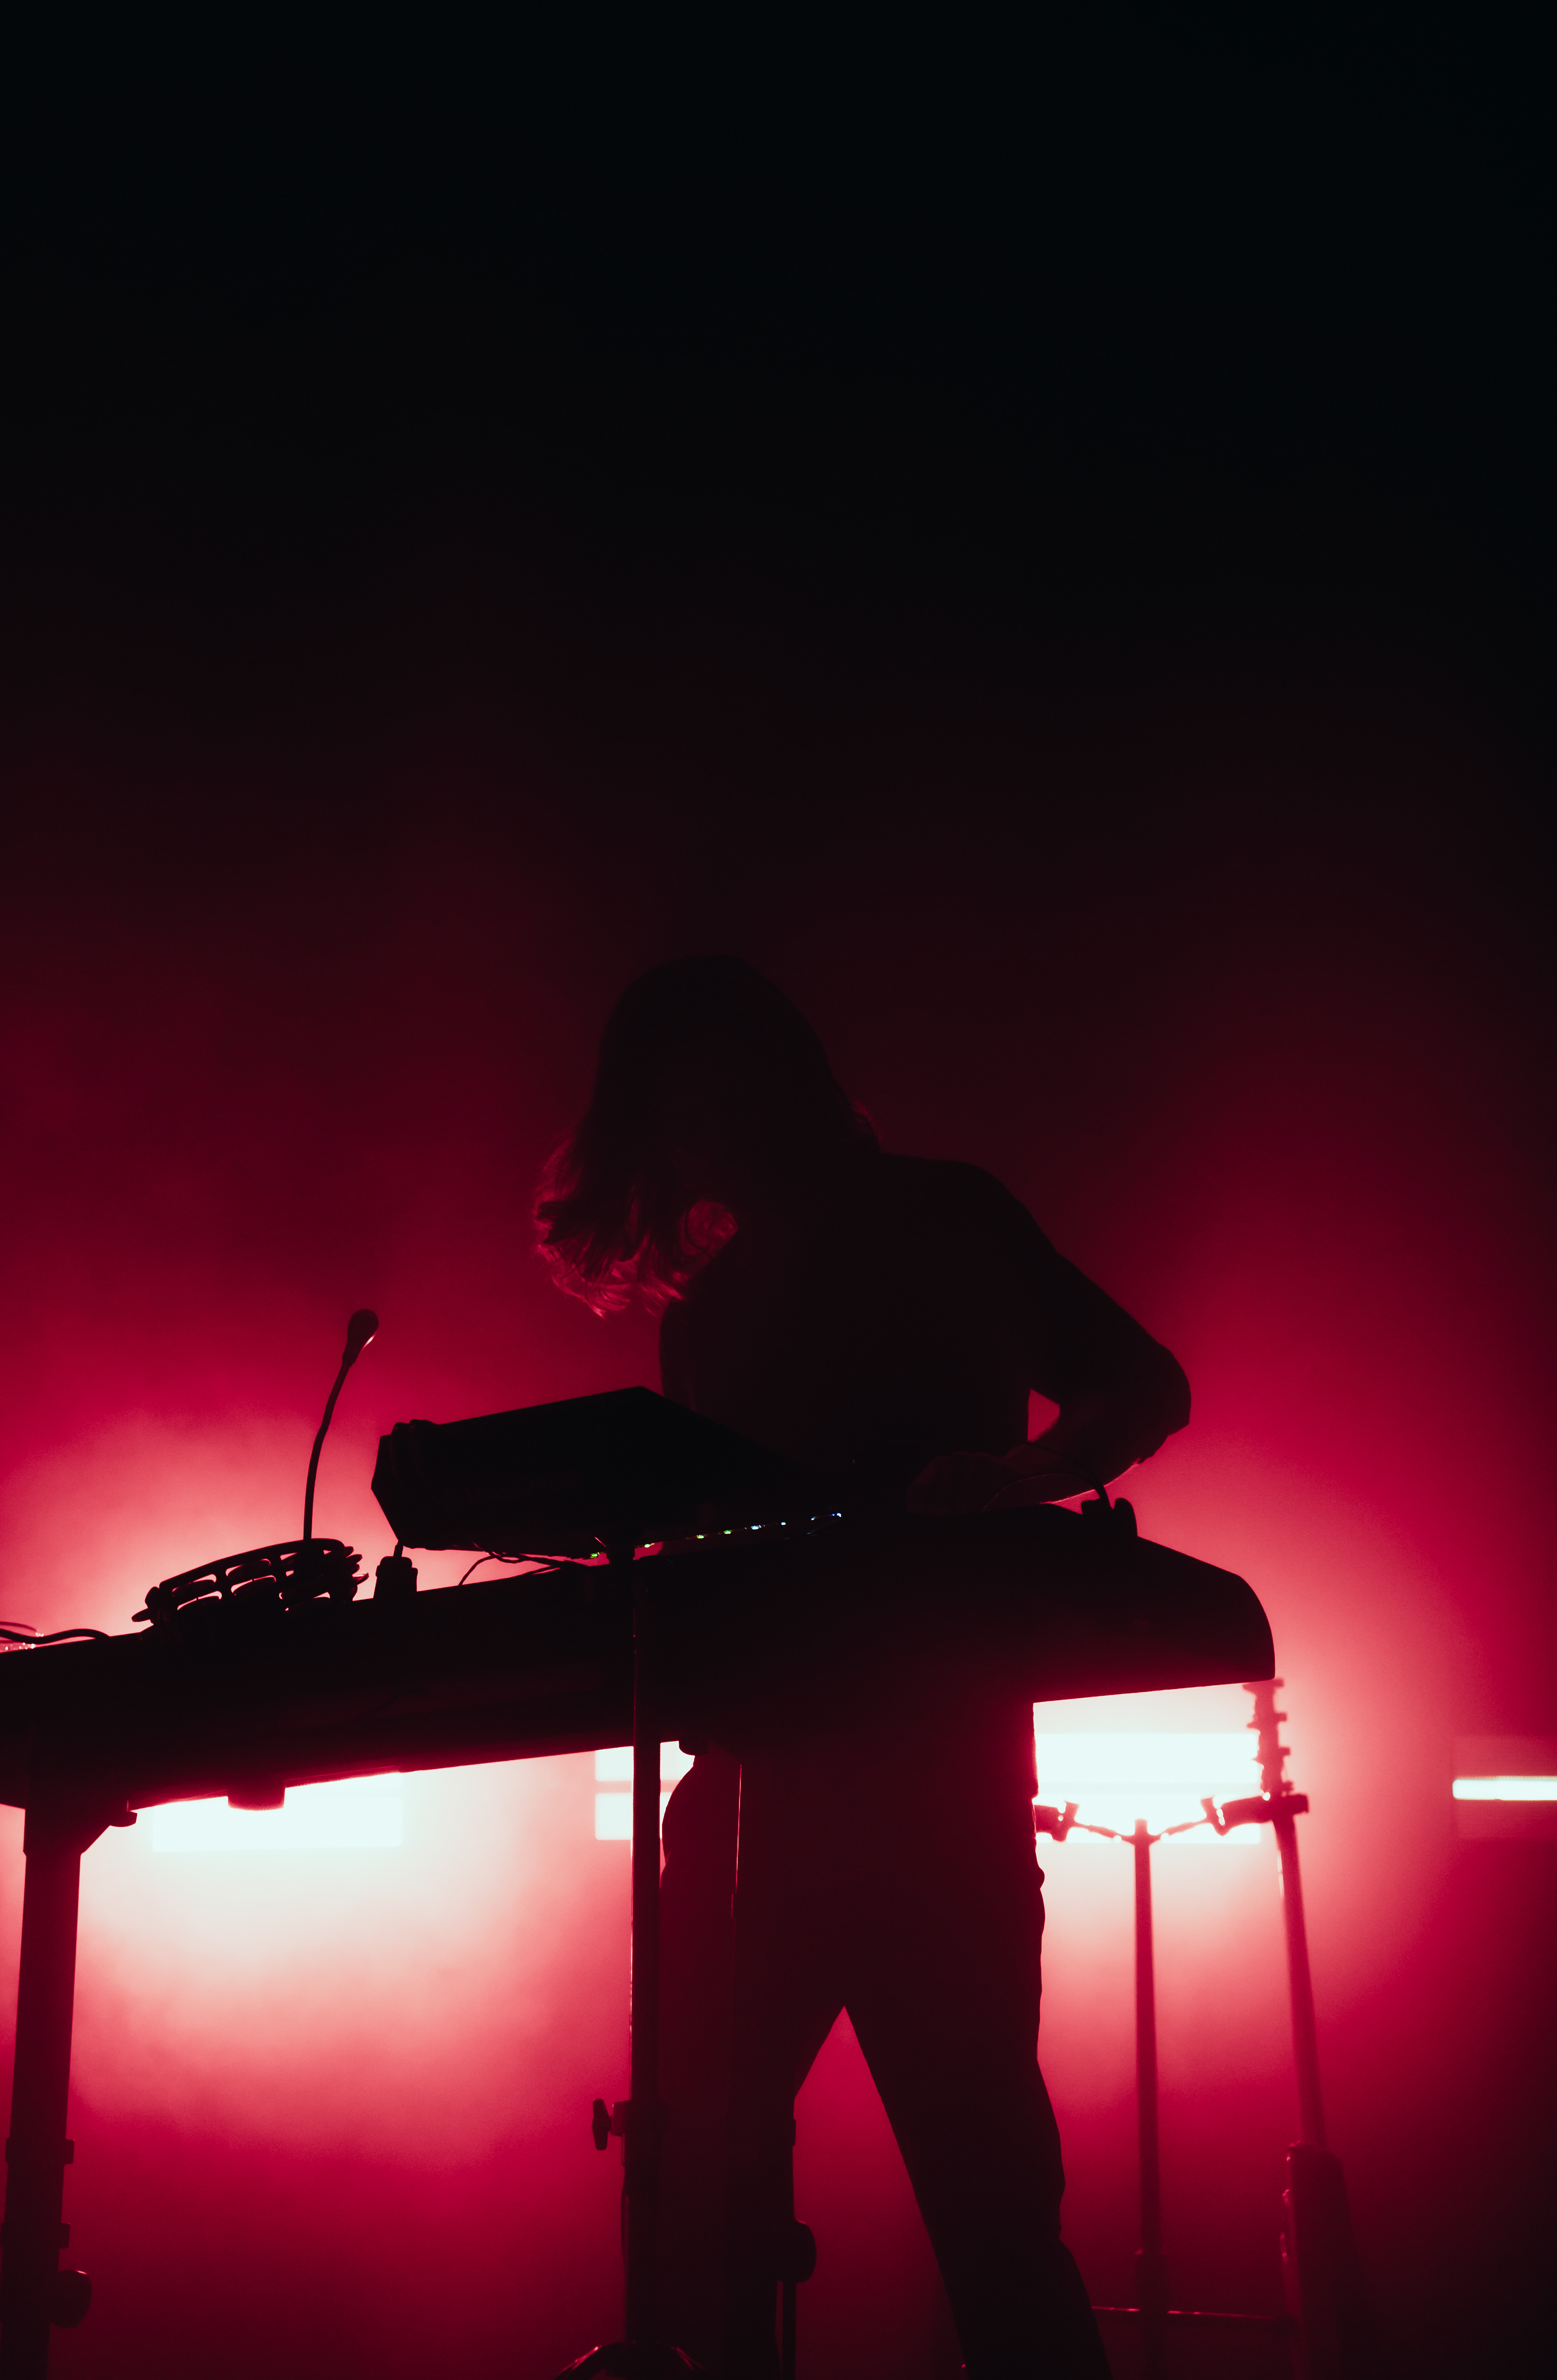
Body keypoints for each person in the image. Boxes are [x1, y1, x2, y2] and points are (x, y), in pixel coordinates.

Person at [537, 957, 1189, 2378]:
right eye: (686, 1121)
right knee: (695, 2221)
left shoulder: (949, 1219)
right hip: (749, 1802)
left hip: (929, 1789)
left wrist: (1025, 1475)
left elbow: (1143, 1379)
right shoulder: (707, 1315)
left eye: (729, 1107)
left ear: (793, 1087)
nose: (713, 1143)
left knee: (991, 2222)